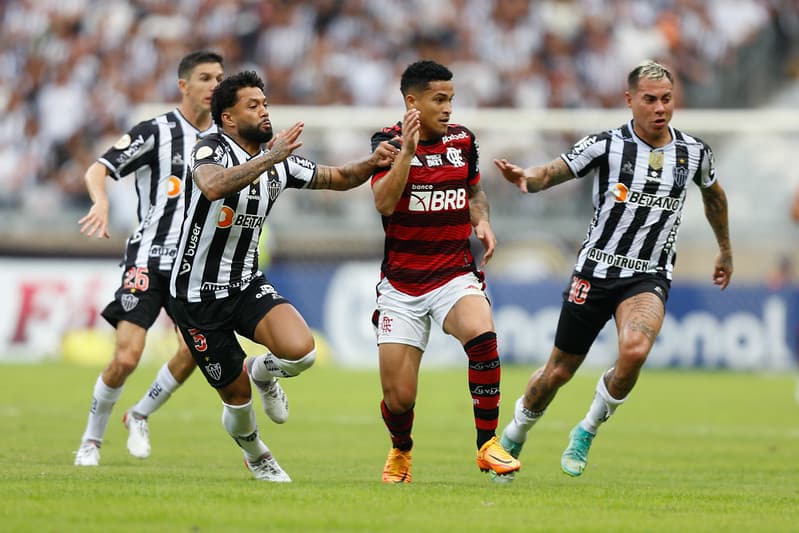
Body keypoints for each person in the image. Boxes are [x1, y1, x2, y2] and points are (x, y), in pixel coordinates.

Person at [493, 59, 733, 480]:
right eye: (650, 100)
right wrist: (527, 178)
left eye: (666, 99)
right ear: (629, 101)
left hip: (648, 274)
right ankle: (515, 433)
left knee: (635, 350)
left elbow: (714, 197)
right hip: (596, 269)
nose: (660, 108)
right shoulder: (605, 144)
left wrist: (725, 250)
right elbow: (556, 170)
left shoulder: (694, 152)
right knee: (559, 372)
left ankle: (586, 430)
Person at [168, 70, 398, 482]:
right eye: (252, 105)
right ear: (228, 119)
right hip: (195, 295)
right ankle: (257, 454)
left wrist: (373, 162)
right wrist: (270, 157)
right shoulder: (210, 149)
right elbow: (212, 187)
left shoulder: (280, 161)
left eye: (265, 103)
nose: (264, 110)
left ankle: (262, 372)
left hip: (244, 283)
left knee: (302, 350)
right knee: (236, 402)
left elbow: (340, 178)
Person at [369, 60, 521, 483]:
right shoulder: (386, 142)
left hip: (453, 273)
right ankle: (401, 450)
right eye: (439, 100)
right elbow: (383, 203)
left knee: (483, 333)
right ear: (412, 103)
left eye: (451, 99)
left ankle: (487, 445)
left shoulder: (463, 140)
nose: (449, 108)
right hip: (401, 285)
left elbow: (475, 191)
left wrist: (482, 220)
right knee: (398, 399)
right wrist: (408, 152)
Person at [74, 51, 225, 466]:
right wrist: (100, 202)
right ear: (184, 85)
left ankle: (139, 413)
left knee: (194, 352)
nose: (215, 85)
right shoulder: (156, 131)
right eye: (206, 78)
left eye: (219, 78)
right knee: (126, 356)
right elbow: (97, 169)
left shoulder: (227, 140)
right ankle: (91, 440)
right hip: (147, 258)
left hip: (194, 268)